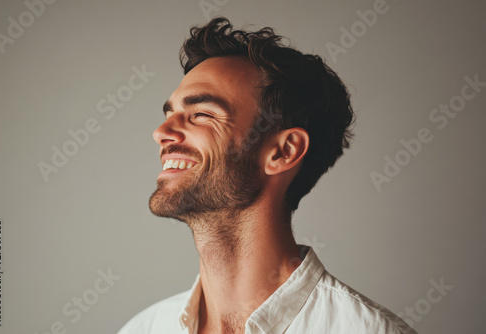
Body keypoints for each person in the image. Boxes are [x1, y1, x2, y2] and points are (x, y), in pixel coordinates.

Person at [118, 17, 416, 334]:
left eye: (201, 114)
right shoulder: (145, 328)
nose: (161, 133)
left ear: (283, 151)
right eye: (169, 115)